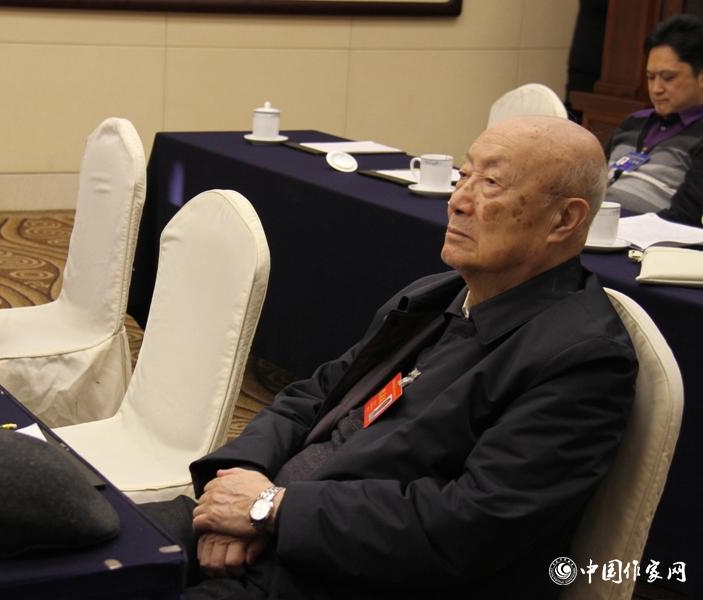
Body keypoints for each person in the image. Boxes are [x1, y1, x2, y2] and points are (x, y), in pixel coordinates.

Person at [143, 116, 638, 600]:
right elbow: (312, 396)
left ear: (564, 219)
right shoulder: (435, 296)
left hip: (344, 573)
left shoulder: (581, 357)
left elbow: (471, 524)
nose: (458, 201)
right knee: (108, 536)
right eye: (464, 175)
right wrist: (232, 487)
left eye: (491, 184)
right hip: (270, 524)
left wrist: (272, 510)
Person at [605, 14, 703, 226]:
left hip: (649, 238)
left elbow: (685, 218)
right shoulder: (633, 122)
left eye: (668, 78)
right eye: (650, 77)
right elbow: (589, 182)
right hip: (595, 226)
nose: (656, 89)